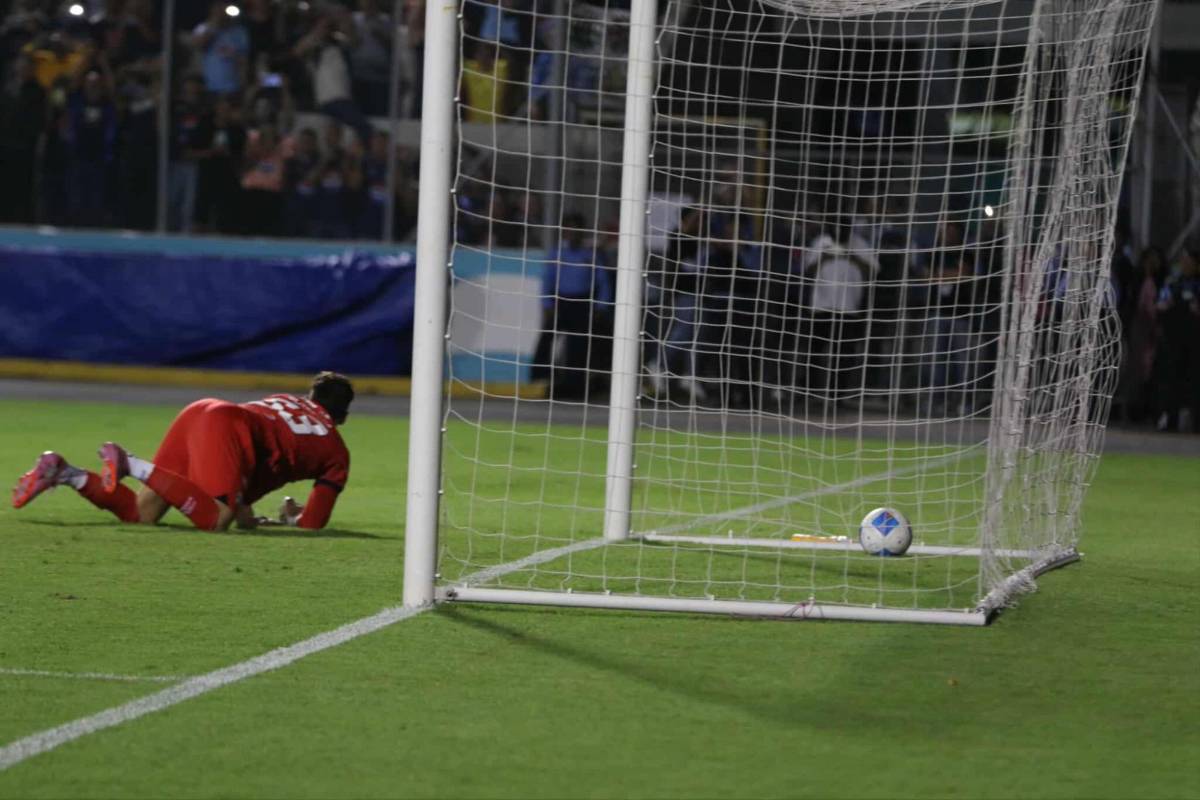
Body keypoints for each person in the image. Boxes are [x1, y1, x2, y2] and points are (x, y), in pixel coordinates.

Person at [12, 372, 354, 533]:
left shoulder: (287, 402)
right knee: (216, 520)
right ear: (342, 415)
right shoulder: (335, 452)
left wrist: (246, 513)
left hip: (203, 412)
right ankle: (129, 462)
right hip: (226, 430)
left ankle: (65, 472)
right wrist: (291, 516)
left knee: (140, 513)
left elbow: (255, 458)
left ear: (310, 398)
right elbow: (313, 524)